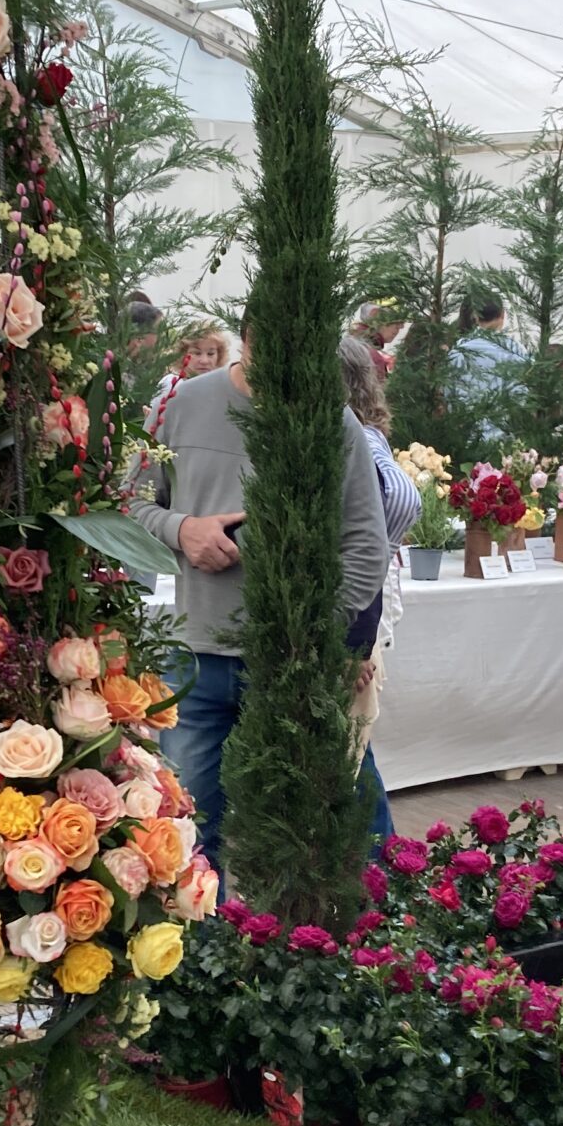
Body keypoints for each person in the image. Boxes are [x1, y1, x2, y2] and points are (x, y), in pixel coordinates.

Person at [129, 335, 391, 870]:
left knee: (336, 830)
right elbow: (128, 503)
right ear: (247, 337)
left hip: (296, 662)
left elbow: (368, 546)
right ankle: (210, 930)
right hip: (196, 661)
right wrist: (183, 529)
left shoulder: (332, 420)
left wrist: (316, 631)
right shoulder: (178, 405)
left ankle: (386, 914)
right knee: (191, 837)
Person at [340, 335, 419, 814]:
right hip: (361, 610)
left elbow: (363, 549)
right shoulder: (366, 439)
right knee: (354, 753)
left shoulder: (358, 442)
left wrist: (355, 644)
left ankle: (381, 854)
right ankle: (385, 854)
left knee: (349, 756)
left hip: (355, 614)